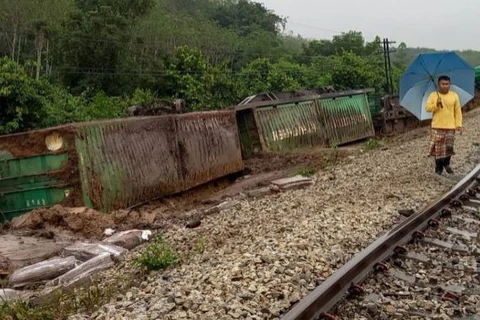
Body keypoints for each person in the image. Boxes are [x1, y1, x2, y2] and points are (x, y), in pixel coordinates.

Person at [425, 75, 463, 175]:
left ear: (450, 84)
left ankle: (447, 164)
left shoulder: (454, 95)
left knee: (449, 148)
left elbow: (458, 111)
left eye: (447, 84)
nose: (445, 86)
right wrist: (436, 105)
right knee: (438, 149)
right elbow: (428, 108)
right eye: (443, 84)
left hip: (451, 126)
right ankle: (438, 168)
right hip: (437, 126)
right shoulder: (433, 95)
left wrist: (458, 124)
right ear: (439, 84)